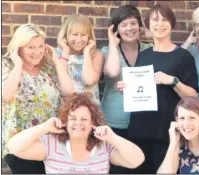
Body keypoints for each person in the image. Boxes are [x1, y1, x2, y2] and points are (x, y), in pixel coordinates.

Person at [117, 4, 199, 173]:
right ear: (147, 25)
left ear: (172, 25)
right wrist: (127, 87)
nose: (159, 24)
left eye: (164, 20)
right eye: (155, 20)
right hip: (140, 129)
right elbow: (139, 86)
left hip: (167, 131)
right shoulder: (144, 55)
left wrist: (173, 81)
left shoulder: (183, 56)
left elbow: (194, 96)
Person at [7, 93, 145, 174]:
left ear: (93, 123)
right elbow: (13, 147)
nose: (78, 123)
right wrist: (44, 127)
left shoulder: (104, 146)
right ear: (65, 121)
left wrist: (113, 137)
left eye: (84, 119)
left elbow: (137, 160)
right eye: (73, 119)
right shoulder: (51, 144)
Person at [2, 23, 74, 174]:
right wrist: (18, 65)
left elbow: (69, 92)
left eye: (40, 46)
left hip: (51, 140)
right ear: (18, 48)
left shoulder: (48, 68)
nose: (37, 52)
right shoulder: (7, 66)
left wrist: (56, 61)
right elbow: (6, 95)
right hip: (21, 142)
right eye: (30, 47)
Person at [101, 4, 152, 173]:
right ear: (116, 29)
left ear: (140, 26)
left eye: (133, 23)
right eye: (123, 25)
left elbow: (173, 58)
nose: (129, 28)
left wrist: (152, 36)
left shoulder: (150, 50)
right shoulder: (108, 50)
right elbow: (113, 72)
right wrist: (112, 42)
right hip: (115, 122)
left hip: (143, 121)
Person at [56, 14, 103, 104]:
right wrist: (65, 51)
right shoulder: (57, 53)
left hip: (90, 112)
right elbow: (60, 82)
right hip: (66, 110)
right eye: (74, 34)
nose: (78, 39)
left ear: (89, 37)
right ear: (66, 35)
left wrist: (86, 52)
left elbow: (88, 80)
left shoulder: (96, 55)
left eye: (83, 35)